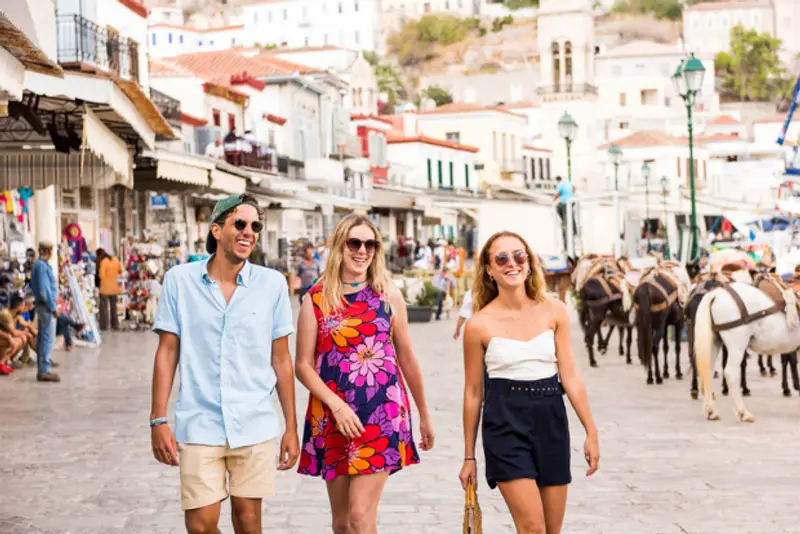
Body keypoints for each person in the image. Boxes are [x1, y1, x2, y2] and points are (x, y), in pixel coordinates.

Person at [149, 193, 299, 534]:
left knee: (248, 524)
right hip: (200, 420)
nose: (249, 232)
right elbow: (167, 351)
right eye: (240, 224)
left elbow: (281, 359)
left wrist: (291, 426)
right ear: (216, 230)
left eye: (256, 226)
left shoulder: (272, 284)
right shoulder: (179, 280)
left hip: (255, 422)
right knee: (200, 525)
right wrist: (158, 418)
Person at [295, 214, 435, 534]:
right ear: (339, 246)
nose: (362, 251)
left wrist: (424, 414)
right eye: (354, 243)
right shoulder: (316, 299)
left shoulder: (388, 294)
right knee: (344, 523)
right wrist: (337, 405)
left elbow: (407, 358)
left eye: (370, 244)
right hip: (333, 417)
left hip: (382, 413)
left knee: (359, 515)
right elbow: (302, 365)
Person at [459, 231, 599, 534]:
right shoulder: (478, 325)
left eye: (519, 255)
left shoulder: (555, 311)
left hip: (551, 421)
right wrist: (469, 456)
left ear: (529, 262)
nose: (512, 263)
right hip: (504, 424)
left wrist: (591, 431)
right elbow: (472, 393)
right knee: (532, 527)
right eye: (502, 258)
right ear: (488, 269)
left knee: (552, 529)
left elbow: (571, 376)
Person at [30, 241, 60, 383]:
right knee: (47, 338)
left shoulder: (41, 265)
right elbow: (44, 289)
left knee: (44, 338)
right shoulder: (41, 266)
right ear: (47, 251)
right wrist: (53, 306)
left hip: (45, 305)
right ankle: (44, 370)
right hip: (45, 306)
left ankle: (44, 367)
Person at [97, 248, 123, 331]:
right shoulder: (115, 260)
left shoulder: (103, 262)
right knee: (113, 307)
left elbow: (101, 276)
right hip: (114, 287)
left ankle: (104, 325)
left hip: (105, 288)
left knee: (104, 308)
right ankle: (115, 325)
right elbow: (120, 271)